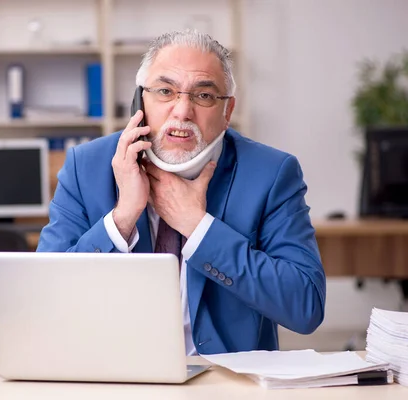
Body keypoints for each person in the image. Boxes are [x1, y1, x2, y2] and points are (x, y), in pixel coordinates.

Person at [37, 29, 326, 355]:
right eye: (165, 91)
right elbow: (45, 298)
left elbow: (306, 308)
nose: (182, 111)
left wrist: (199, 228)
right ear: (139, 102)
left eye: (203, 96)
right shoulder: (86, 167)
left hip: (224, 382)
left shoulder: (271, 174)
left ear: (227, 112)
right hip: (113, 377)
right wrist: (122, 218)